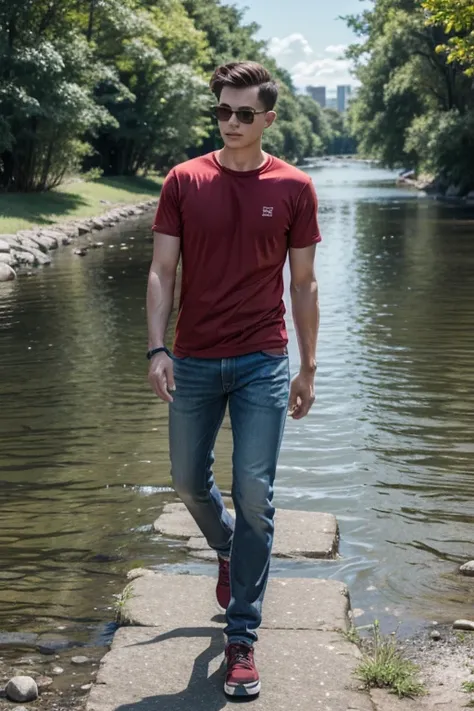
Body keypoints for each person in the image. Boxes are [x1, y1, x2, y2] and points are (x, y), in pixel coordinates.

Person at [146, 61, 320, 698]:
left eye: (246, 113)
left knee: (255, 490)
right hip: (192, 358)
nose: (233, 122)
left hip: (262, 361)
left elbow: (302, 284)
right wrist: (156, 349)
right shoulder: (184, 180)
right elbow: (163, 271)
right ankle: (226, 548)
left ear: (268, 118)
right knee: (188, 481)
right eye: (224, 110)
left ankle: (243, 636)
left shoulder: (295, 187)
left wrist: (308, 366)